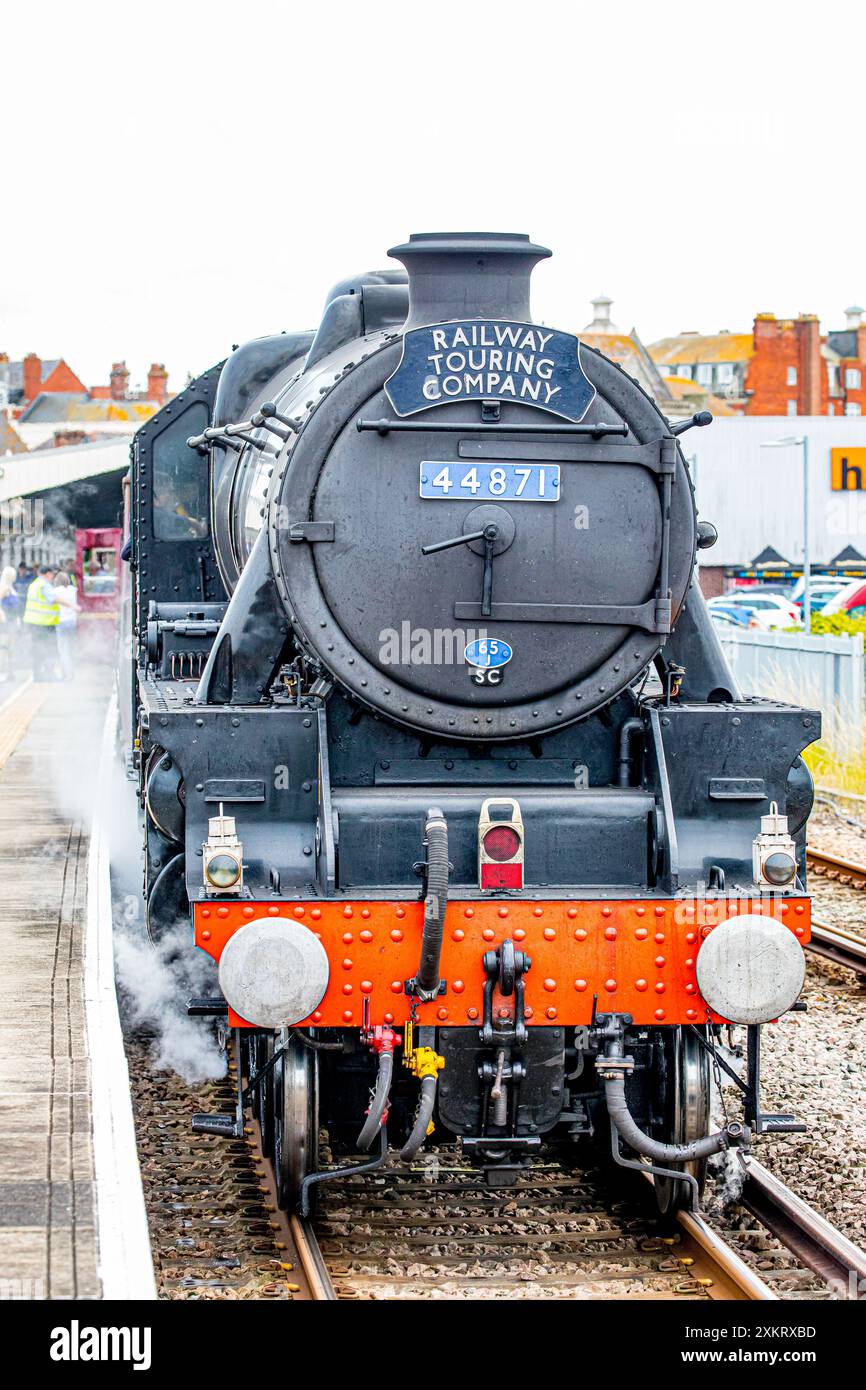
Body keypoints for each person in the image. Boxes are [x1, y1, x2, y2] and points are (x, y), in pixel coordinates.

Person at [22, 564, 60, 680]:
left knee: (37, 649)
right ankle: (49, 674)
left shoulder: (34, 584)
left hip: (34, 623)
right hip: (45, 623)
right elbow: (53, 599)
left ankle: (37, 675)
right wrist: (72, 605)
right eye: (53, 574)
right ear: (48, 574)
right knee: (50, 649)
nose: (53, 576)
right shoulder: (45, 585)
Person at [53, 571, 78, 680]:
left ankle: (67, 674)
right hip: (73, 622)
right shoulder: (74, 590)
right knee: (72, 649)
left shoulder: (55, 591)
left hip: (61, 622)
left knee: (63, 650)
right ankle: (73, 671)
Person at [0, 566, 19, 682]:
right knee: (4, 648)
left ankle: (9, 672)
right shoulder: (4, 588)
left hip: (12, 621)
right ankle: (3, 672)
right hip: (5, 622)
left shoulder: (11, 588)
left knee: (11, 648)